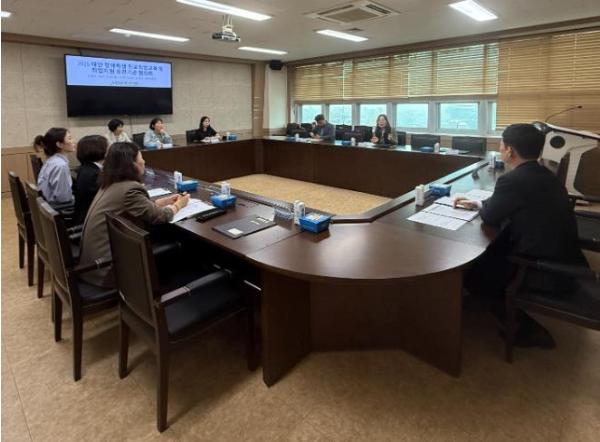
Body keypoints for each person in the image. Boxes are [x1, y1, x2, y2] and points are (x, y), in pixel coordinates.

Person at [454, 123, 587, 348]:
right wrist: (479, 203)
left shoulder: (512, 181)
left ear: (510, 151)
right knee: (493, 250)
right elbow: (507, 205)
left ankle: (524, 328)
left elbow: (491, 217)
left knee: (473, 275)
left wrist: (483, 207)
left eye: (501, 144)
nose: (500, 148)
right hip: (567, 258)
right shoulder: (546, 174)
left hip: (545, 270)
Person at [79, 142, 189, 288]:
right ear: (132, 165)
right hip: (108, 269)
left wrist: (161, 202)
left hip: (93, 265)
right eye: (141, 158)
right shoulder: (130, 189)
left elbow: (133, 207)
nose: (144, 161)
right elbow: (161, 216)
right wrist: (179, 204)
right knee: (181, 247)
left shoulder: (110, 183)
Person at [35, 128, 76, 206]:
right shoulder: (60, 165)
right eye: (69, 138)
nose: (73, 141)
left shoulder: (52, 160)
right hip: (57, 208)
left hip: (47, 206)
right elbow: (63, 198)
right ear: (59, 144)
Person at [73, 135, 108, 225]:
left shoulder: (86, 168)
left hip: (87, 215)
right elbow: (105, 200)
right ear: (98, 150)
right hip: (91, 221)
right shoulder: (93, 174)